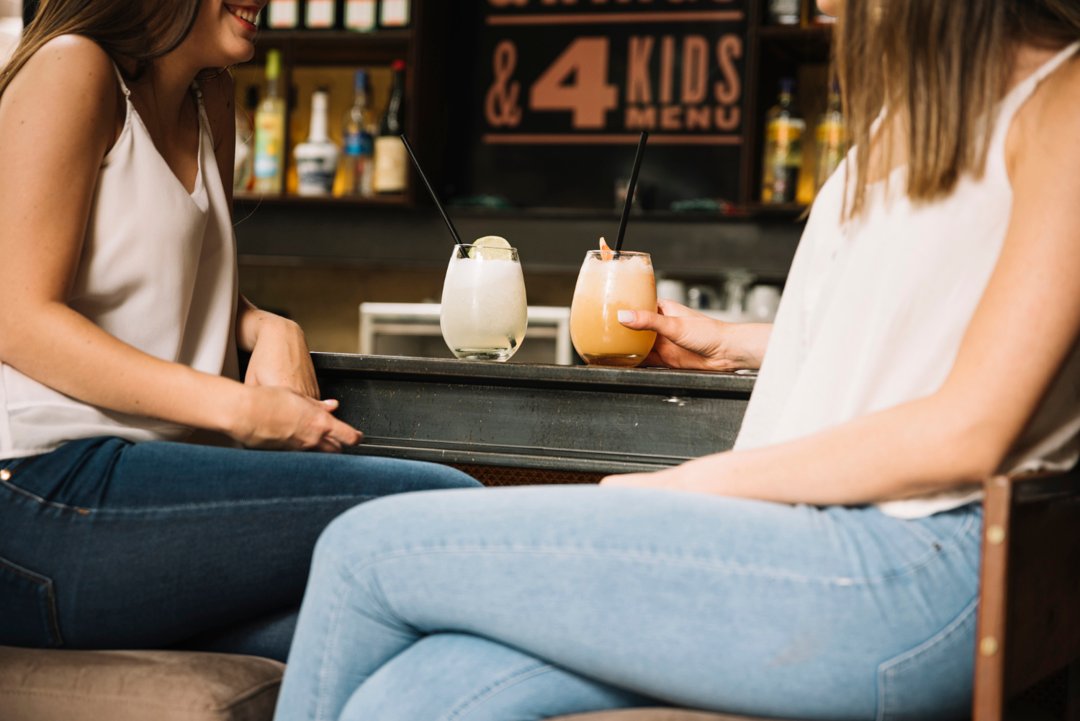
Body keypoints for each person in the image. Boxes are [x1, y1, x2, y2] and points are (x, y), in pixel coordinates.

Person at [272, 0, 1080, 719]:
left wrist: (688, 486)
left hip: (905, 563)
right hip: (814, 542)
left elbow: (969, 426)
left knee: (361, 551)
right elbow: (913, 340)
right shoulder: (919, 111)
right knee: (419, 695)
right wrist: (732, 342)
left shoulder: (1064, 102)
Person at [0, 0, 480, 662]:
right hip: (43, 486)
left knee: (390, 639)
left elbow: (167, 273)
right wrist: (239, 407)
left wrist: (266, 323)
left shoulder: (211, 97)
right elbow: (16, 317)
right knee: (447, 508)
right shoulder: (73, 69)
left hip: (144, 499)